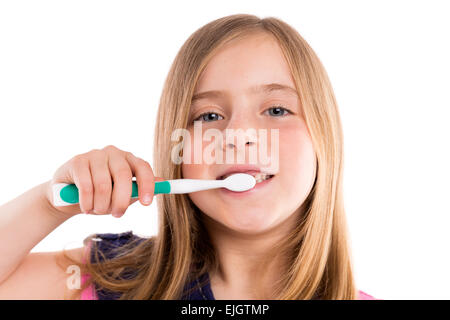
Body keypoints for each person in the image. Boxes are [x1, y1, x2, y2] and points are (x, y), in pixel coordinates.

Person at [0, 14, 376, 300]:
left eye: (276, 110)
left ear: (324, 138)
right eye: (209, 116)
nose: (237, 138)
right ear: (177, 151)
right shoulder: (110, 280)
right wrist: (50, 204)